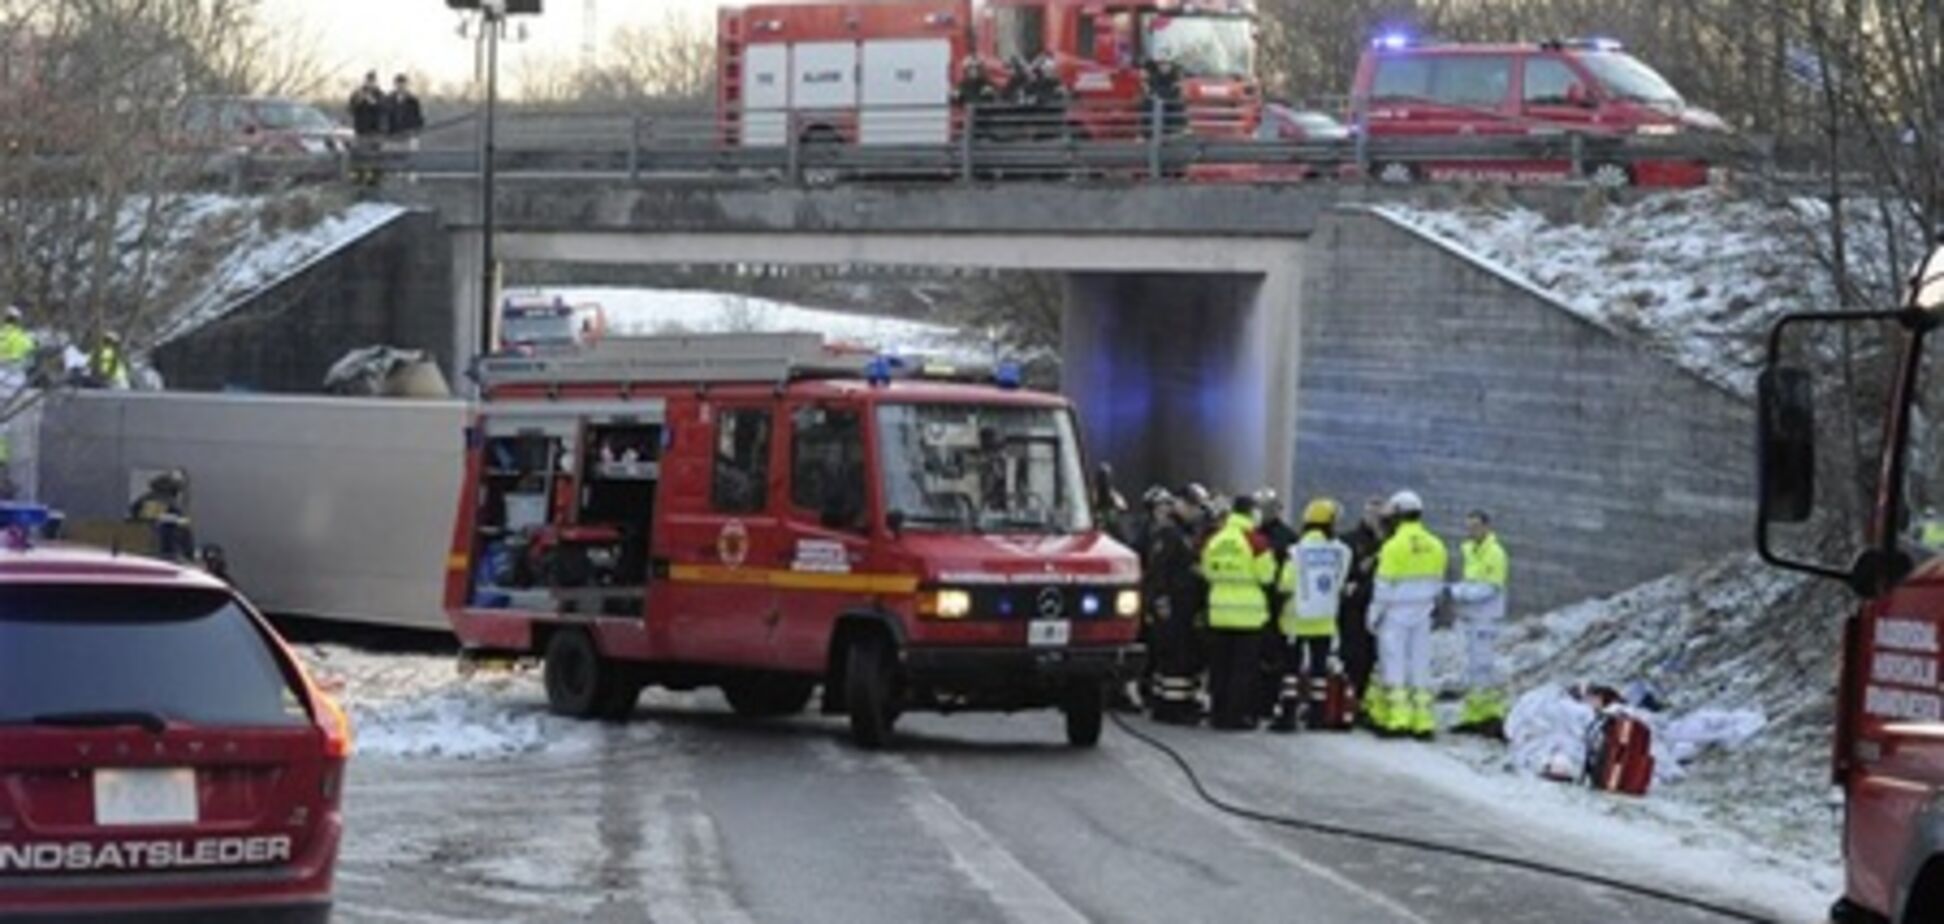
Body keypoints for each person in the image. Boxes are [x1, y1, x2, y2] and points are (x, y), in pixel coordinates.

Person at [1370, 489, 1447, 739]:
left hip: (1395, 613)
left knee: (1394, 663)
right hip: (1423, 612)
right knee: (1420, 665)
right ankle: (1423, 720)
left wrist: (1374, 614)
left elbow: (1383, 586)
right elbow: (1438, 583)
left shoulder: (1393, 546)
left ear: (1399, 515)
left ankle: (1398, 718)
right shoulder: (1436, 545)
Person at [1272, 497, 1353, 731]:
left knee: (1291, 671)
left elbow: (1285, 584)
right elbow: (1340, 582)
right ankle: (1317, 716)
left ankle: (1288, 715)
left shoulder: (1296, 552)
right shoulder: (1341, 552)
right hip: (1325, 621)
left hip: (1296, 621)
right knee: (1319, 671)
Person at [1200, 493, 1276, 730]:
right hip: (1248, 616)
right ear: (1251, 513)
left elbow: (1207, 572)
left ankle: (1217, 714)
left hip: (1218, 613)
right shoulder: (1256, 541)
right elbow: (1267, 575)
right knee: (1242, 671)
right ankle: (1237, 717)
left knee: (1220, 667)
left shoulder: (1215, 539)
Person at [1146, 489, 1204, 723]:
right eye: (1192, 506)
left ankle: (1178, 702)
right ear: (1180, 504)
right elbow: (1158, 571)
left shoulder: (1183, 533)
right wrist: (1160, 601)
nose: (1195, 511)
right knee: (1174, 657)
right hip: (1173, 605)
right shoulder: (1169, 534)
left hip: (1184, 605)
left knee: (1182, 656)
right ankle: (1171, 707)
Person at [1451, 510, 1511, 734]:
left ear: (1486, 527)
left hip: (1487, 618)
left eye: (1475, 526)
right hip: (1473, 617)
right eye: (1469, 527)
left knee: (1483, 667)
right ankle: (1474, 715)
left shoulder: (1495, 553)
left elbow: (1489, 588)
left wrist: (1458, 593)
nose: (1471, 531)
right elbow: (1472, 581)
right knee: (1473, 668)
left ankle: (1487, 716)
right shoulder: (1471, 550)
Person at [1341, 496, 1388, 716]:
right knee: (1354, 657)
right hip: (1354, 610)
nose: (1375, 519)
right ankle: (1352, 701)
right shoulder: (1349, 541)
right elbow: (1344, 577)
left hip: (1382, 609)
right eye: (1371, 513)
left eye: (1379, 515)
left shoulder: (1390, 543)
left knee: (1378, 658)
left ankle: (1371, 703)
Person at [131, 470, 195, 561]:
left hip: (139, 556)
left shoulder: (141, 502)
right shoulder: (173, 506)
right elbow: (186, 536)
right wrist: (189, 557)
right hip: (166, 556)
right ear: (174, 490)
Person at [384, 74, 425, 143]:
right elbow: (385, 116)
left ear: (406, 85)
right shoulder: (388, 99)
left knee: (410, 153)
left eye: (403, 84)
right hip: (392, 136)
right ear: (395, 85)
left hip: (409, 135)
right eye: (398, 84)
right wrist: (385, 131)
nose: (400, 86)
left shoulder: (413, 100)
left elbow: (418, 117)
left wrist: (416, 131)